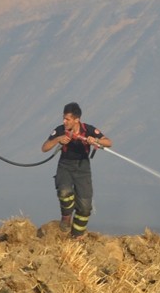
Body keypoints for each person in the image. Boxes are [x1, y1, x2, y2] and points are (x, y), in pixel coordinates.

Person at [41, 102, 112, 238]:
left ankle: (77, 236)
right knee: (64, 191)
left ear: (76, 120)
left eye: (67, 119)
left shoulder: (88, 129)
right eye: (63, 118)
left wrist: (95, 140)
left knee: (85, 207)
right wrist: (58, 139)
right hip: (65, 166)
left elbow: (109, 142)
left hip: (83, 167)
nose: (64, 121)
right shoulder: (60, 130)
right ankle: (66, 217)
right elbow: (44, 148)